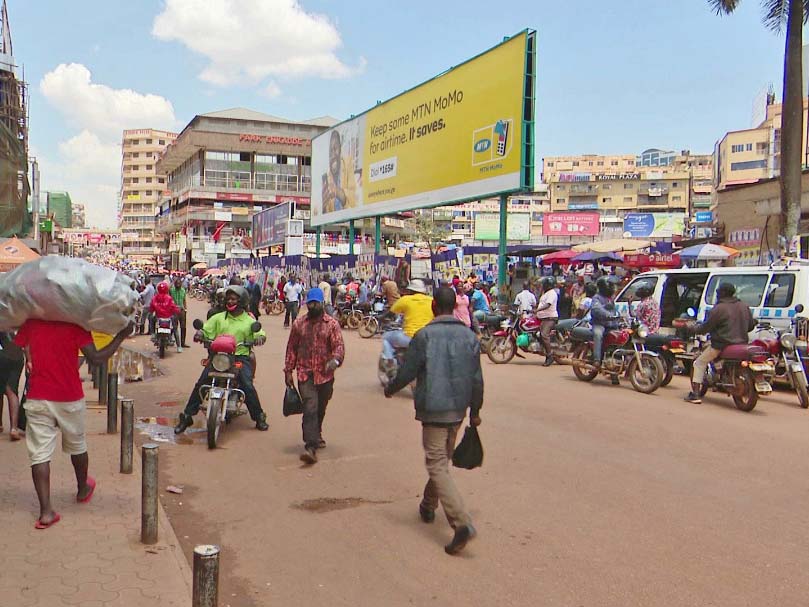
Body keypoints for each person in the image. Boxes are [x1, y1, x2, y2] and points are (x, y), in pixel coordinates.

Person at [384, 286, 483, 555]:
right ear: (454, 307)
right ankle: (428, 504)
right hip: (458, 410)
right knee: (441, 461)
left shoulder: (424, 336)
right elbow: (477, 379)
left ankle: (461, 522)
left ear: (434, 307)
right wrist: (475, 412)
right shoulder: (469, 336)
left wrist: (391, 388)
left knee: (437, 464)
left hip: (434, 409)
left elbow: (407, 371)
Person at [14, 319, 131, 529]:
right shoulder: (75, 323)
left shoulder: (31, 323)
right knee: (77, 445)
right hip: (69, 397)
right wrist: (121, 336)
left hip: (38, 396)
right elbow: (95, 358)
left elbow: (20, 344)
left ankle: (46, 512)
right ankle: (82, 488)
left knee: (39, 453)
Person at [174, 286, 268, 434]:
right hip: (219, 357)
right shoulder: (218, 318)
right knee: (201, 382)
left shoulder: (249, 320)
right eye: (228, 298)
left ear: (242, 300)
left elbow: (259, 333)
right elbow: (205, 329)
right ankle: (187, 416)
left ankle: (259, 417)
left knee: (247, 385)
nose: (230, 301)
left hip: (239, 356)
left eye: (233, 299)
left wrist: (259, 338)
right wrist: (200, 334)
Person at [284, 287, 345, 464]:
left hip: (325, 375)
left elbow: (339, 347)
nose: (312, 306)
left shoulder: (332, 324)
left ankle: (316, 433)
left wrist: (335, 360)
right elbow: (291, 348)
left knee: (320, 407)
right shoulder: (299, 324)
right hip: (305, 373)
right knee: (310, 407)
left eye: (315, 303)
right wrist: (288, 370)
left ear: (322, 304)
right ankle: (310, 446)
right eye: (310, 303)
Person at [683, 282, 755, 404]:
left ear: (723, 293)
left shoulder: (718, 309)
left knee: (699, 363)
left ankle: (695, 394)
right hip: (742, 343)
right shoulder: (744, 306)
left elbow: (705, 328)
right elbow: (750, 326)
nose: (717, 295)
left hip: (722, 345)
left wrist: (691, 328)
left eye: (718, 292)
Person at [382, 279, 434, 365]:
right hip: (427, 338)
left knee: (386, 337)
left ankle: (390, 360)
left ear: (410, 290)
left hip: (409, 337)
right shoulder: (431, 300)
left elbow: (390, 314)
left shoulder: (405, 299)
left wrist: (380, 318)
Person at [590, 277, 621, 369]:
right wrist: (607, 315)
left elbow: (614, 310)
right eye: (611, 286)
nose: (613, 288)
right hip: (600, 324)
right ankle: (597, 359)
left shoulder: (610, 298)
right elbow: (596, 309)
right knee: (598, 334)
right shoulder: (597, 298)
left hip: (611, 325)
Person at [0, 330, 24, 440]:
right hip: (17, 356)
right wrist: (30, 360)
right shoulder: (20, 317)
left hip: (2, 354)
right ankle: (14, 428)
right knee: (12, 390)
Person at [150, 282, 182, 353]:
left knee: (151, 319)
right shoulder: (169, 298)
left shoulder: (155, 298)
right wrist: (178, 311)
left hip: (159, 318)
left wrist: (152, 311)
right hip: (169, 318)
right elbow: (174, 307)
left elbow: (151, 308)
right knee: (175, 329)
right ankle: (179, 346)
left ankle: (152, 334)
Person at [537, 278, 559, 367]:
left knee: (544, 335)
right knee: (537, 334)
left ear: (548, 285)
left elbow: (548, 305)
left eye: (544, 284)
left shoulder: (552, 293)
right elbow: (542, 303)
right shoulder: (545, 293)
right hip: (543, 318)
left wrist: (537, 310)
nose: (542, 285)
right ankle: (544, 350)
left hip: (550, 318)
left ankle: (550, 356)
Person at [169, 277, 189, 347]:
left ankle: (183, 343)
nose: (178, 285)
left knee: (183, 327)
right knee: (174, 327)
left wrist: (185, 309)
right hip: (174, 310)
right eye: (176, 283)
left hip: (182, 310)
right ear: (174, 284)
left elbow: (184, 300)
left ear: (181, 284)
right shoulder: (171, 290)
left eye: (179, 283)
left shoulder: (183, 290)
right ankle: (169, 339)